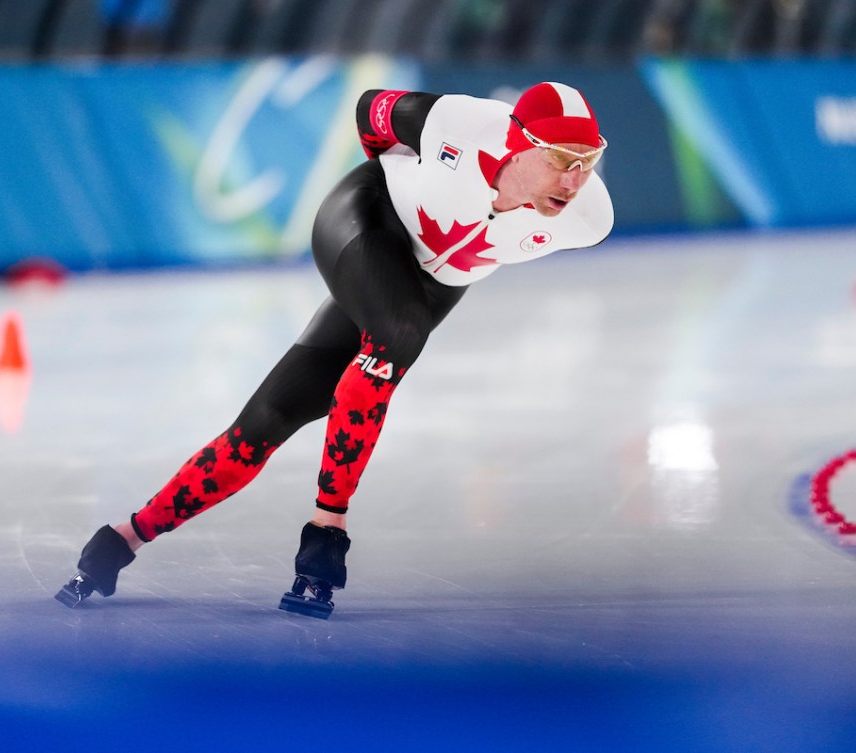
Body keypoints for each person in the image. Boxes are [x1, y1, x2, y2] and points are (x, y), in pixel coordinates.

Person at [56, 81, 614, 618]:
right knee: (399, 333)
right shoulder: (456, 125)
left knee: (264, 424)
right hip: (366, 218)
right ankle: (327, 533)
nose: (576, 178)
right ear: (517, 145)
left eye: (587, 160)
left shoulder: (588, 220)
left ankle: (118, 542)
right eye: (563, 159)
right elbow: (372, 108)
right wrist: (391, 171)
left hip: (429, 284)